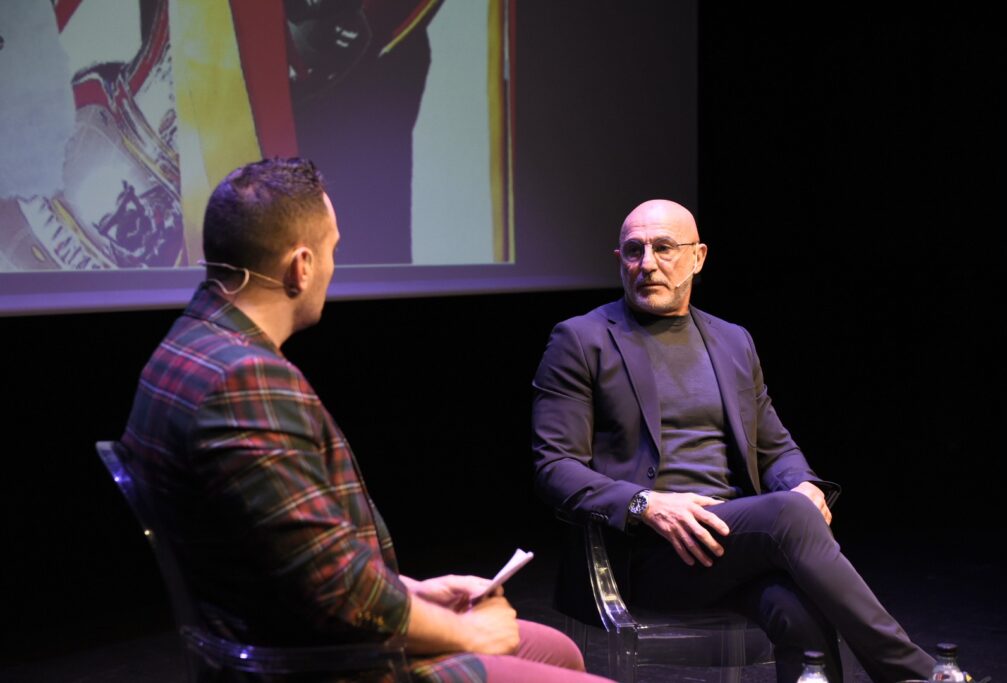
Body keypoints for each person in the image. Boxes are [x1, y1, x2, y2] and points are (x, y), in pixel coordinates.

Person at [120, 157, 610, 682]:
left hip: (298, 626)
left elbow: (291, 556)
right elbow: (338, 592)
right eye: (334, 250)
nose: (334, 266)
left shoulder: (188, 345)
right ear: (300, 266)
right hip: (323, 665)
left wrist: (415, 591)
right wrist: (469, 634)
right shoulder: (241, 382)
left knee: (556, 650)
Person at [531, 199, 935, 683]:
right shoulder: (581, 340)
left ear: (698, 257)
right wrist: (646, 504)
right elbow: (554, 466)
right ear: (619, 260)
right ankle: (915, 674)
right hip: (648, 552)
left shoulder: (733, 340)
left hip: (733, 543)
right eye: (634, 251)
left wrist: (804, 484)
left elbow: (775, 447)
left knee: (801, 615)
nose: (648, 264)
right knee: (787, 514)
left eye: (664, 248)